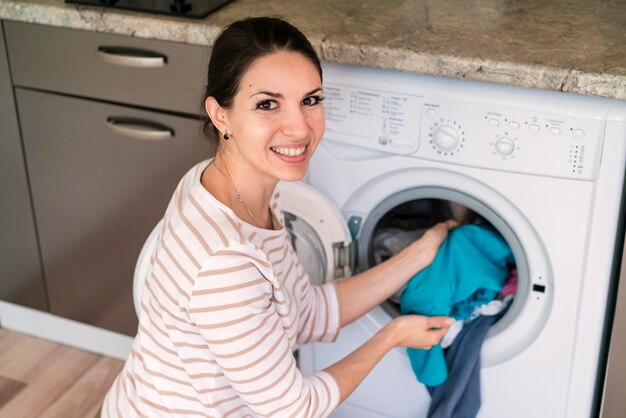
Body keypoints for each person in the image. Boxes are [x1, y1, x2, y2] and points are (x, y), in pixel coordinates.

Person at [101, 16, 457, 418]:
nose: (298, 128)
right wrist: (392, 335)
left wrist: (418, 256)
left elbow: (306, 313)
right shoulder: (226, 263)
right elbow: (294, 408)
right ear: (221, 115)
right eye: (267, 104)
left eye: (311, 100)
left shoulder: (228, 187)